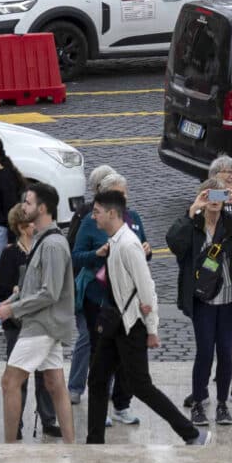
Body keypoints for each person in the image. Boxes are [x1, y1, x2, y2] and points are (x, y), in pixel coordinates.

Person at [84, 189, 203, 447]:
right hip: (117, 323)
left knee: (140, 385)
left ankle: (190, 433)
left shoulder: (128, 245)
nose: (94, 218)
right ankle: (94, 441)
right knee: (97, 379)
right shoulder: (116, 242)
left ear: (112, 213)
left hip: (131, 326)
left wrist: (152, 329)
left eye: (97, 212)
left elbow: (147, 288)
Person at [169, 160, 232, 424]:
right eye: (210, 195)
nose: (215, 201)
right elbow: (174, 242)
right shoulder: (193, 225)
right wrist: (191, 210)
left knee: (226, 352)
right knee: (205, 351)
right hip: (203, 299)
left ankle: (221, 404)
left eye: (219, 195)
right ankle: (198, 401)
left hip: (228, 299)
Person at [0, 197, 75, 445]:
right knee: (55, 382)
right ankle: (72, 446)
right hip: (46, 324)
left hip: (41, 325)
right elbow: (32, 283)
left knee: (10, 382)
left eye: (27, 203)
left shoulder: (50, 245)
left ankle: (10, 448)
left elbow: (49, 292)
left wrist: (13, 309)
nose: (22, 208)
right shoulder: (44, 241)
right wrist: (11, 300)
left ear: (41, 208)